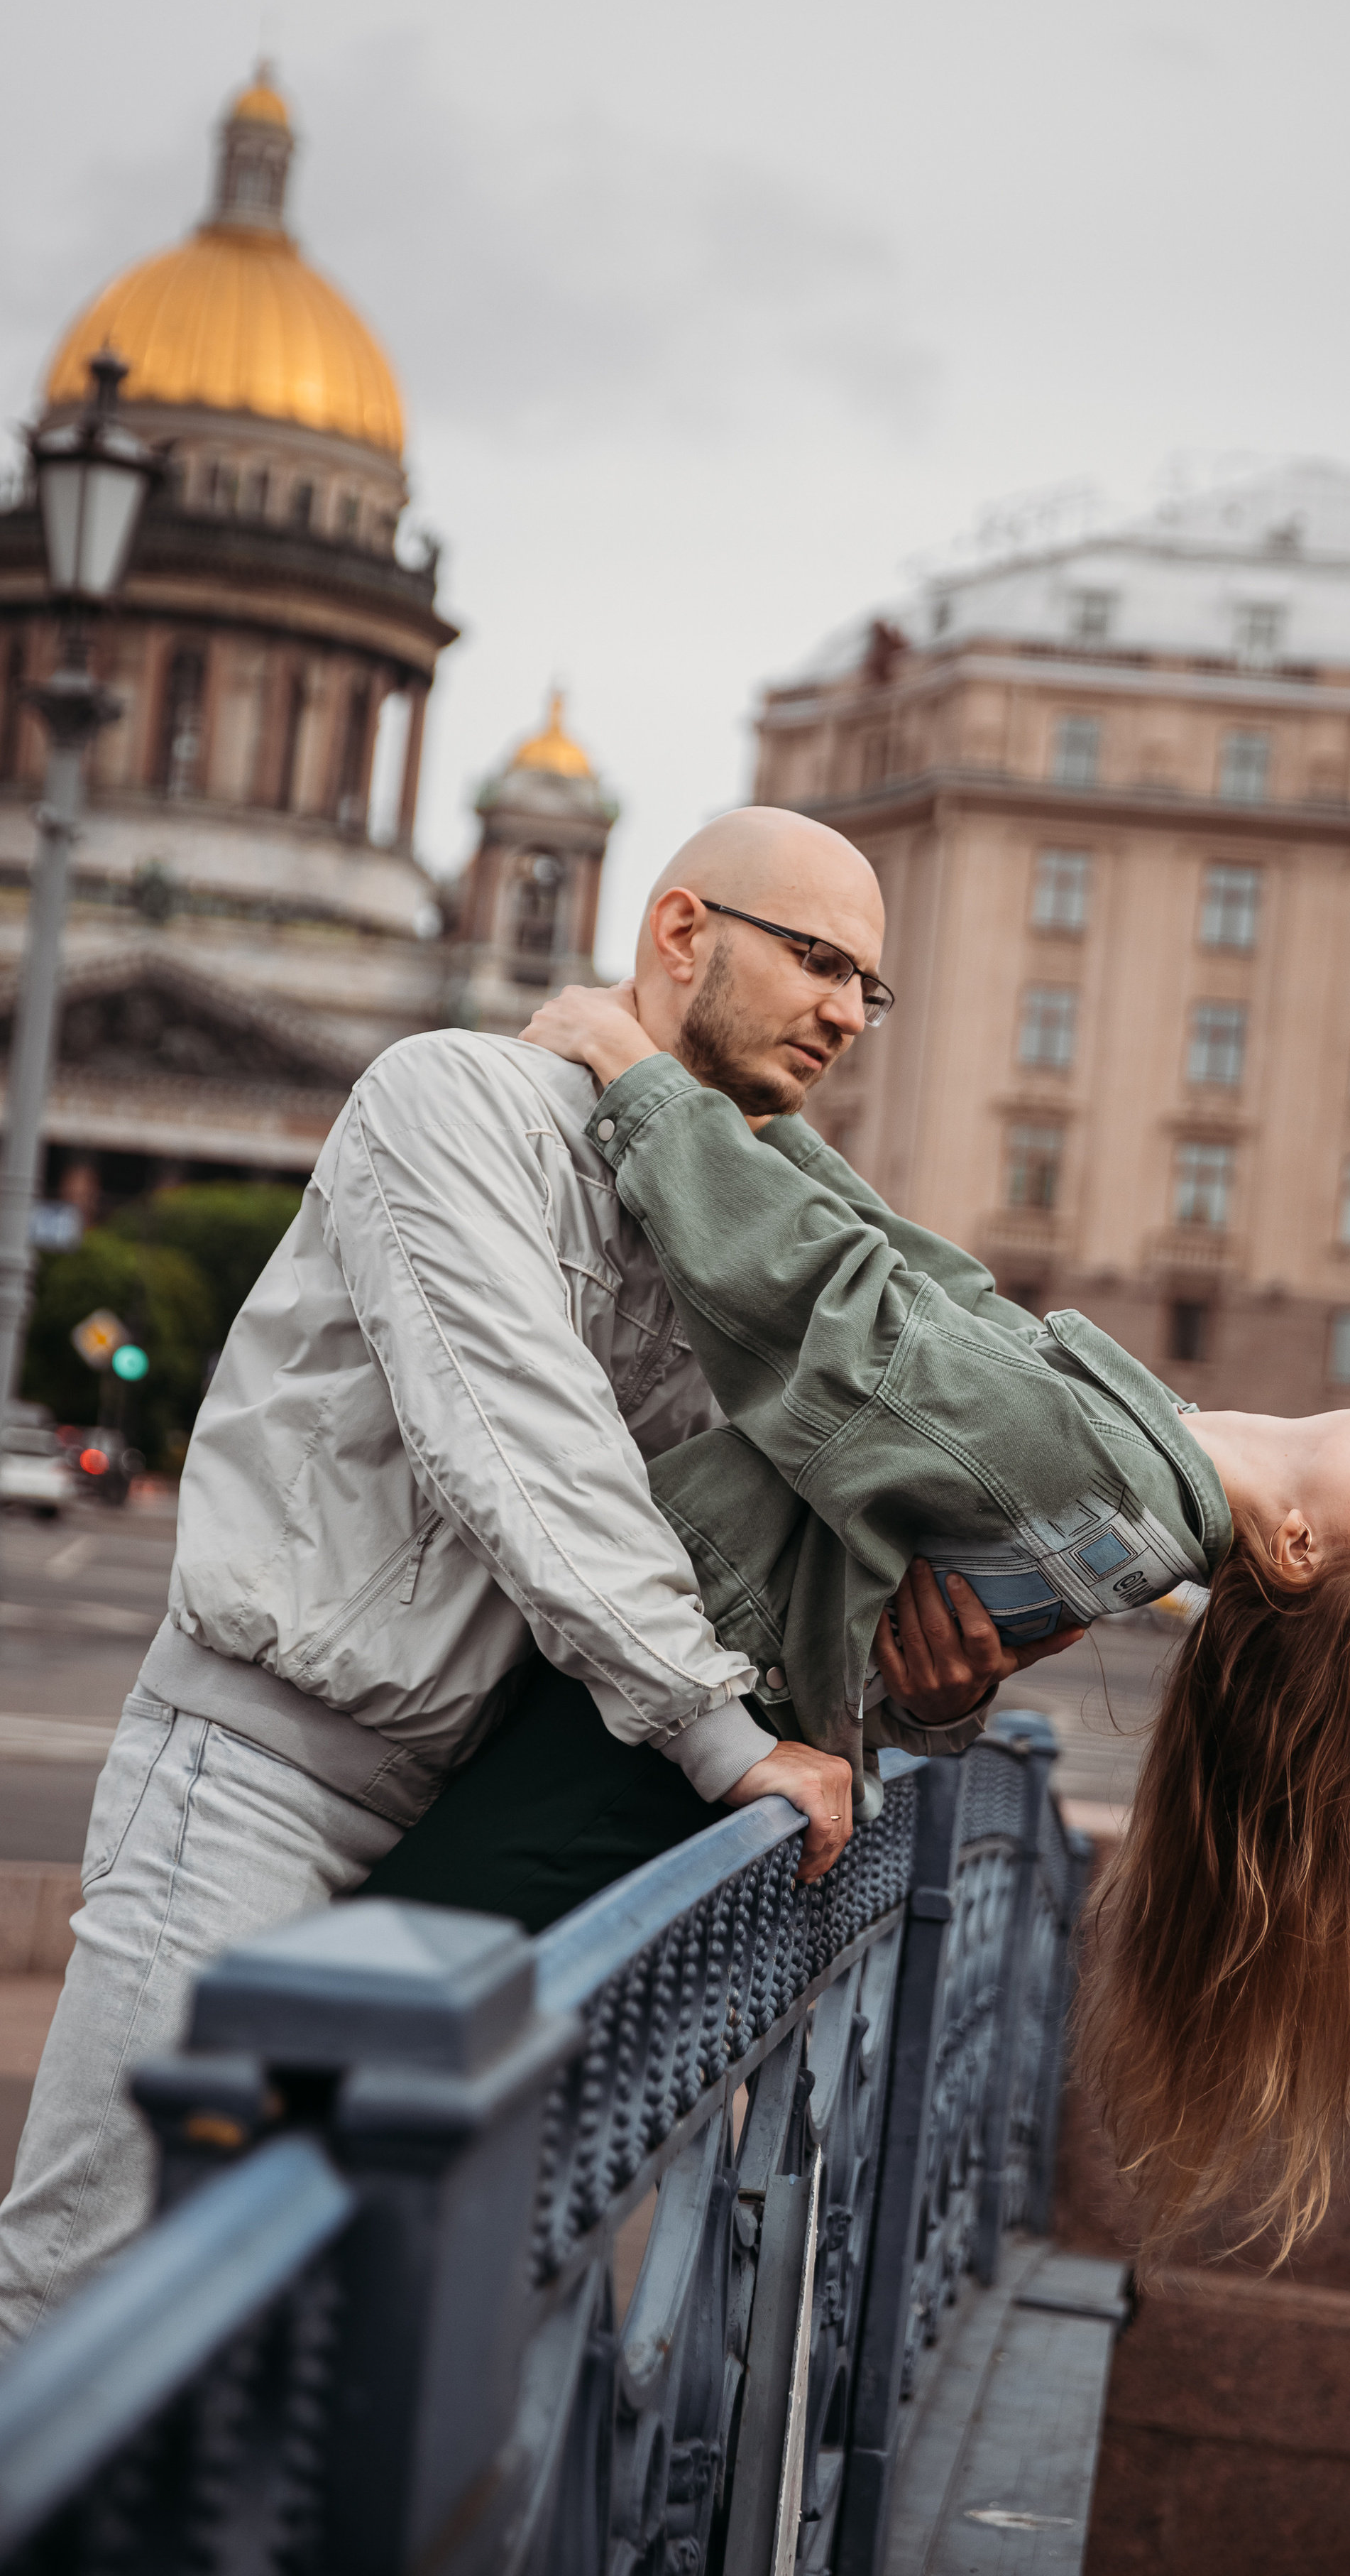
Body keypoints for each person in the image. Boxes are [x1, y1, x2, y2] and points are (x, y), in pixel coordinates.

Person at [0, 809, 1073, 2349]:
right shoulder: (451, 1100)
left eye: (869, 986)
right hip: (255, 1785)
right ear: (682, 933)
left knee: (316, 2321)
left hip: (474, 1828)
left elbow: (797, 1551)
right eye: (818, 960)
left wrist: (931, 1694)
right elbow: (523, 1447)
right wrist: (719, 1735)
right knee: (83, 2290)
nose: (847, 1011)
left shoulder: (738, 1237)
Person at [373, 971, 1350, 2261]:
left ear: (1296, 1550)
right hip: (640, 1734)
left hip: (613, 1763)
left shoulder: (1105, 1483)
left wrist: (633, 1073)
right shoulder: (1135, 1455)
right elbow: (916, 1276)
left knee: (341, 2081)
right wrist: (749, 1114)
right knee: (397, 2135)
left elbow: (833, 1318)